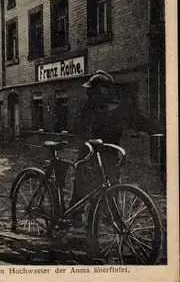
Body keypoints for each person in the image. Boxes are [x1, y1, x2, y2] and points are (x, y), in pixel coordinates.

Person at [68, 70, 164, 223]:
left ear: (101, 90)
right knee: (82, 186)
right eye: (89, 91)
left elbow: (138, 120)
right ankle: (74, 216)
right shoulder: (88, 108)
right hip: (89, 153)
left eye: (92, 90)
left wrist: (160, 129)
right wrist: (89, 139)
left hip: (109, 154)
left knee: (111, 185)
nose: (89, 93)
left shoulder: (119, 108)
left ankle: (108, 217)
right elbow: (81, 128)